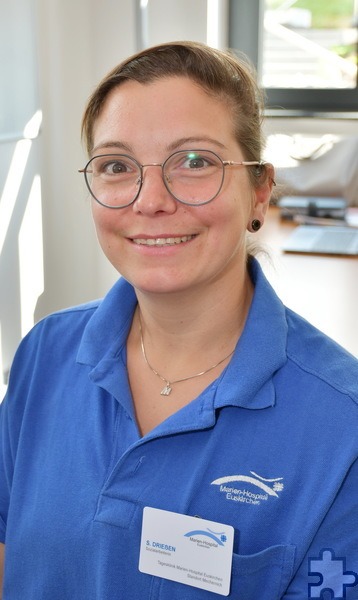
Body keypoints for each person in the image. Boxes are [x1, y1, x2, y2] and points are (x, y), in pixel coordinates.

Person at [0, 41, 357, 600]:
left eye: (194, 162)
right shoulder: (45, 352)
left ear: (259, 191)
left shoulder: (341, 425)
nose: (151, 200)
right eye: (117, 166)